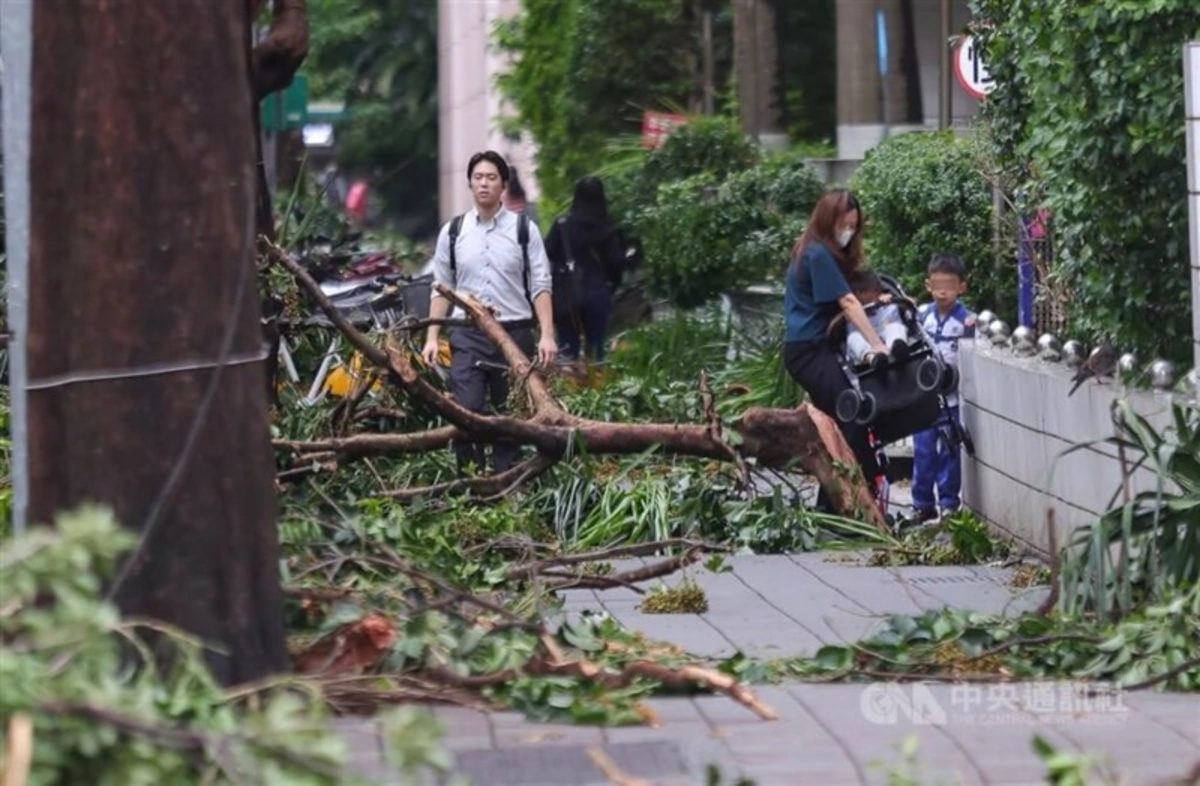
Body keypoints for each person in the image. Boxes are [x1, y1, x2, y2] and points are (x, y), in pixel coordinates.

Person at [421, 151, 558, 475]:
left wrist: (548, 335)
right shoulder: (453, 232)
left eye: (491, 177)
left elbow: (541, 284)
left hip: (514, 333)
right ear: (470, 183)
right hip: (467, 334)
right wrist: (432, 337)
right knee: (466, 409)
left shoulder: (525, 231)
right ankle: (471, 482)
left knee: (508, 413)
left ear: (504, 185)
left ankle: (504, 480)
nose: (484, 183)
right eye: (479, 177)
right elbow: (441, 286)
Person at [782, 188, 899, 511]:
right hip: (808, 349)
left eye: (853, 226)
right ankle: (844, 505)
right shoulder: (817, 253)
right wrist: (877, 344)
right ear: (827, 221)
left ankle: (830, 507)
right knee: (852, 415)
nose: (848, 232)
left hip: (811, 347)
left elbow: (856, 290)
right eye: (843, 226)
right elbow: (847, 301)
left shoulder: (816, 250)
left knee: (837, 422)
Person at [911, 254, 977, 523]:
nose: (942, 291)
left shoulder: (968, 321)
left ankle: (949, 504)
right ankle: (922, 504)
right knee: (923, 450)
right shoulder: (920, 316)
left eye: (949, 286)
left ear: (961, 287)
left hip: (952, 399)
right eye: (937, 285)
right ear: (928, 285)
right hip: (924, 398)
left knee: (950, 450)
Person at [544, 176, 625, 362]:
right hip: (597, 292)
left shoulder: (562, 225)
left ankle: (569, 386)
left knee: (567, 349)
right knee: (597, 349)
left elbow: (546, 253)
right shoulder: (608, 227)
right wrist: (611, 285)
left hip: (567, 294)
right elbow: (616, 262)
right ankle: (596, 385)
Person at [844, 269, 909, 369]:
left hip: (885, 333)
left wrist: (891, 301)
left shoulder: (888, 307)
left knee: (895, 326)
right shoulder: (850, 316)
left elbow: (907, 308)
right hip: (865, 345)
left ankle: (897, 347)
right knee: (853, 338)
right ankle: (872, 358)